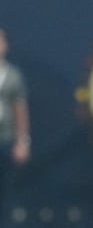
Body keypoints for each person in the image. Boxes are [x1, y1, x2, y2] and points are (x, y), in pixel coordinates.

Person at [0, 29, 31, 221]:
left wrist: (23, 141)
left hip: (5, 139)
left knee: (6, 192)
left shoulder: (12, 75)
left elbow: (20, 109)